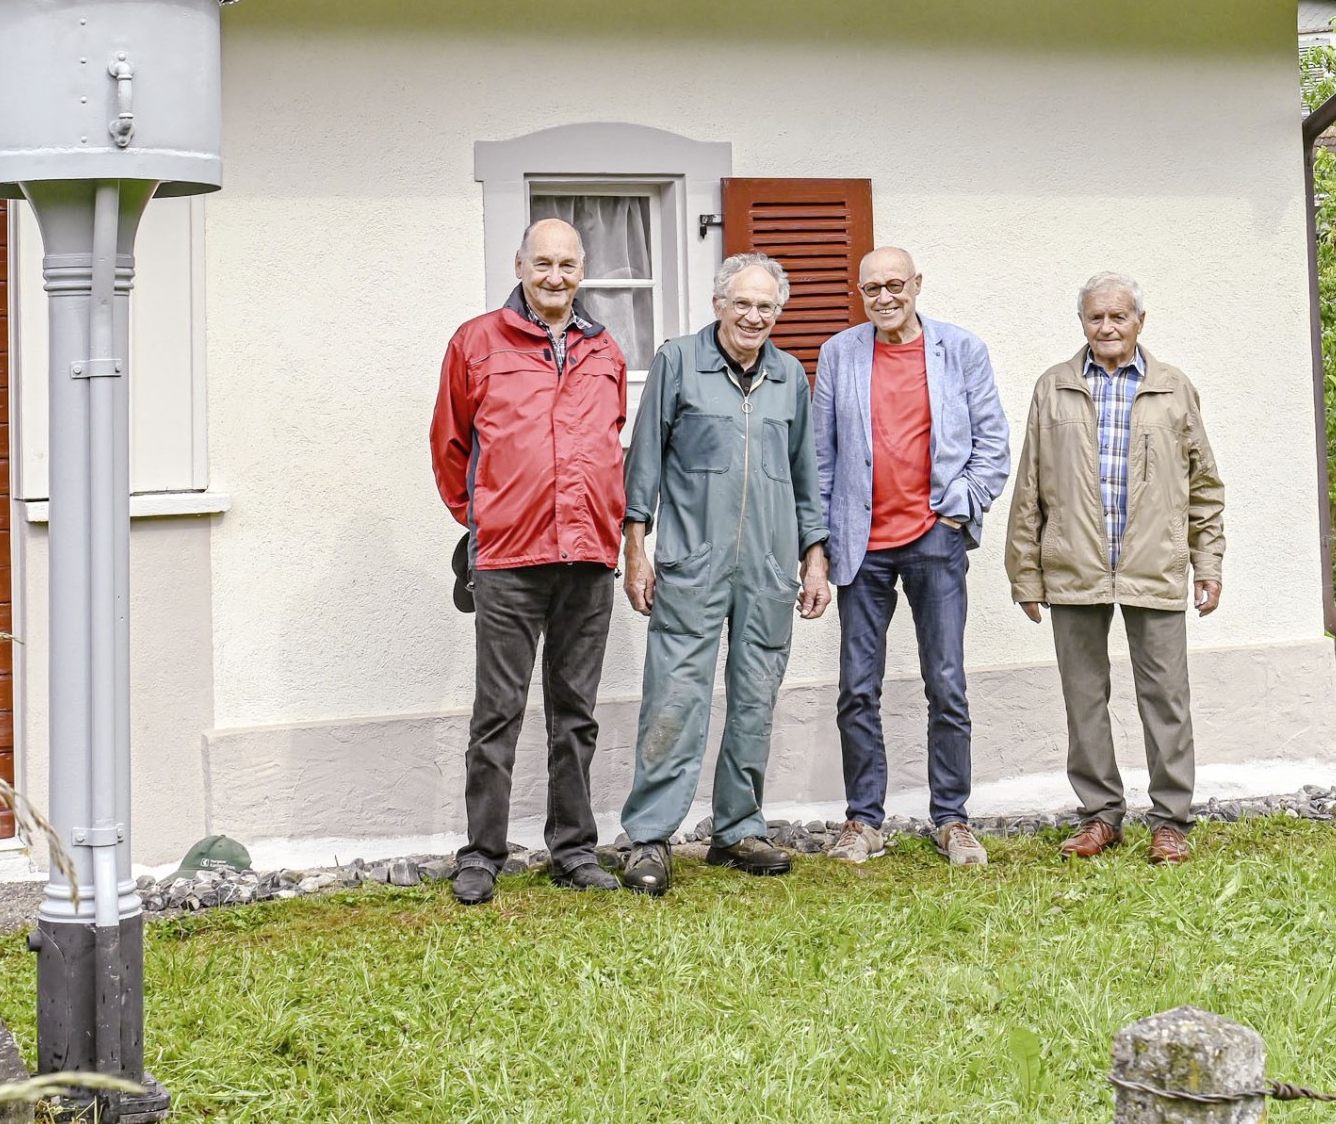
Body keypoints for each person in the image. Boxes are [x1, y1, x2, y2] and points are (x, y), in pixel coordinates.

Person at [615, 255, 833, 897]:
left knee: (755, 696)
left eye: (767, 307)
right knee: (675, 697)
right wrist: (636, 546)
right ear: (719, 304)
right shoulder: (678, 361)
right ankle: (650, 836)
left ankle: (738, 828)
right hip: (693, 562)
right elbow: (645, 457)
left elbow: (805, 474)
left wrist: (814, 557)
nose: (754, 316)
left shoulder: (791, 376)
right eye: (743, 303)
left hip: (768, 566)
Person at [430, 217, 630, 903]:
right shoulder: (476, 341)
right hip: (509, 561)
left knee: (576, 713)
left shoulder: (605, 349)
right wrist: (489, 518)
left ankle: (573, 847)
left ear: (582, 271)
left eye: (568, 264)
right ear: (519, 264)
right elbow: (450, 448)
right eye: (542, 262)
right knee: (498, 715)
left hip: (587, 558)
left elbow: (610, 444)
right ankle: (482, 852)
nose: (555, 275)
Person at [1006, 271, 1226, 865]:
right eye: (1095, 317)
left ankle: (1171, 820)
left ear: (1139, 322)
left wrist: (1208, 562)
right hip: (1074, 565)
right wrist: (1025, 572)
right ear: (1082, 322)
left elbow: (1203, 486)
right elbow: (1029, 485)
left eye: (1118, 316)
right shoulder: (1052, 387)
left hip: (1154, 565)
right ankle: (1100, 814)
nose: (1107, 327)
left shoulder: (1174, 388)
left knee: (1166, 698)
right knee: (1084, 697)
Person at [813, 247, 1012, 867]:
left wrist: (963, 504)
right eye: (871, 289)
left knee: (946, 683)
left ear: (917, 285)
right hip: (860, 545)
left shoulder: (962, 349)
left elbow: (993, 442)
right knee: (856, 688)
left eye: (895, 285)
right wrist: (816, 548)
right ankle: (863, 820)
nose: (884, 297)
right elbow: (821, 457)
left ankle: (952, 819)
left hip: (935, 540)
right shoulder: (838, 354)